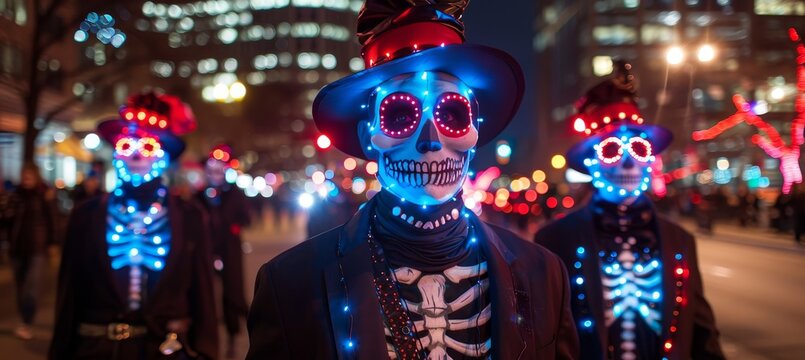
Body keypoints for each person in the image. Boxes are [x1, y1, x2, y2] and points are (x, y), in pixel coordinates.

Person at [246, 1, 578, 358]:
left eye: (451, 113)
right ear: (366, 136)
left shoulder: (543, 275)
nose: (430, 140)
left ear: (473, 131)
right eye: (400, 114)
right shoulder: (292, 284)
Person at [535, 61, 724, 359]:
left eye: (639, 149)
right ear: (592, 164)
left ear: (650, 162)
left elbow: (703, 335)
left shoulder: (680, 240)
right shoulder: (555, 240)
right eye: (611, 150)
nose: (627, 163)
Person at [50, 91, 219, 359]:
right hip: (98, 350)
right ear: (116, 155)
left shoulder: (190, 217)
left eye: (148, 147)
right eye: (127, 146)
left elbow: (205, 298)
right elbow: (68, 293)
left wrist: (207, 352)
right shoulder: (86, 214)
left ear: (161, 157)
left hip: (166, 350)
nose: (137, 156)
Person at [198, 144, 251, 357]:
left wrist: (231, 226)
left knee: (232, 291)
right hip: (207, 249)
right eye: (211, 170)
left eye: (219, 170)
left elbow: (245, 218)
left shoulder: (234, 193)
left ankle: (232, 332)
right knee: (205, 290)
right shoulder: (201, 195)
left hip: (229, 248)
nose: (215, 174)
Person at [8, 163, 56, 340]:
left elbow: (52, 219)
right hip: (17, 248)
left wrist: (52, 242)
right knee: (20, 287)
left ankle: (27, 321)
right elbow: (8, 220)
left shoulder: (43, 195)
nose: (26, 179)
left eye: (29, 176)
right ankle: (24, 319)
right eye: (24, 176)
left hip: (37, 248)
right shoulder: (16, 195)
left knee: (31, 288)